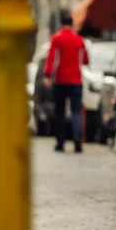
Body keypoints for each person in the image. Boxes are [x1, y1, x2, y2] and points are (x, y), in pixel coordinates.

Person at [44, 10, 89, 153]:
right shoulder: (79, 39)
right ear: (72, 24)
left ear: (61, 24)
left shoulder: (56, 39)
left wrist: (47, 75)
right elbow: (86, 60)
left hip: (60, 80)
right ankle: (77, 138)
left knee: (60, 112)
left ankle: (60, 142)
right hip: (76, 80)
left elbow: (52, 58)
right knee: (76, 111)